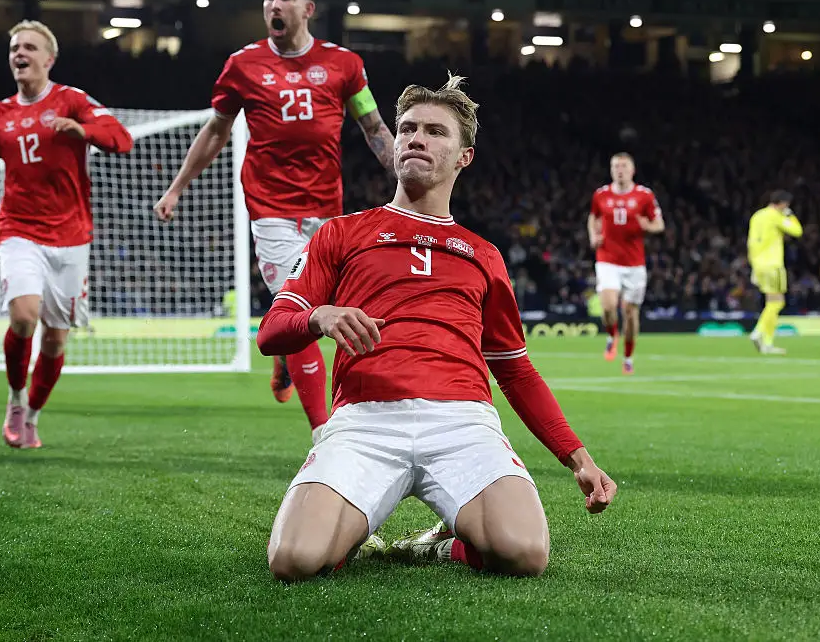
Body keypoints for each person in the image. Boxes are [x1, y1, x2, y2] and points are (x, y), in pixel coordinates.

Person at [257, 75, 617, 582]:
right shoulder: (341, 233)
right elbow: (271, 332)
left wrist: (577, 458)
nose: (416, 139)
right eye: (407, 129)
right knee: (293, 560)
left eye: (434, 131)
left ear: (464, 156)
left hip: (463, 424)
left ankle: (434, 548)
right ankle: (352, 526)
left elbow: (515, 371)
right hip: (365, 421)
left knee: (526, 553)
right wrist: (318, 316)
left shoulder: (484, 256)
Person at [155, 0, 396, 444]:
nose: (273, 6)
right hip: (271, 211)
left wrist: (406, 178)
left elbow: (373, 128)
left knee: (322, 308)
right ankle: (324, 437)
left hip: (327, 212)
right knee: (306, 311)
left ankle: (287, 360)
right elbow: (217, 131)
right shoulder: (242, 65)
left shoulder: (345, 65)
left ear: (307, 9)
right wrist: (177, 186)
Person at [0, 20, 133, 448]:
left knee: (54, 339)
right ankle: (15, 400)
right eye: (15, 47)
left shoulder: (72, 100)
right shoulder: (0, 114)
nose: (20, 53)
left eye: (30, 47)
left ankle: (32, 414)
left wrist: (83, 130)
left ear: (49, 59)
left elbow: (121, 139)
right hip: (18, 229)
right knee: (23, 316)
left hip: (71, 236)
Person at [586, 153, 664, 374]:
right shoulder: (601, 195)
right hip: (607, 259)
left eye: (624, 166)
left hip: (634, 264)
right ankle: (612, 334)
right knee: (609, 306)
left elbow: (659, 224)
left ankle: (628, 357)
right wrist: (593, 236)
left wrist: (646, 226)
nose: (619, 169)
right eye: (615, 166)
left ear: (632, 170)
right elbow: (593, 218)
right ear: (611, 170)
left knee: (630, 313)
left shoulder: (644, 195)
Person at [747, 190, 802, 355]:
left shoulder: (756, 216)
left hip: (758, 264)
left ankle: (768, 344)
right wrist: (790, 215)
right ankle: (758, 332)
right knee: (778, 302)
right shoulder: (776, 216)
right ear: (783, 203)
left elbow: (751, 242)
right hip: (773, 264)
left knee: (772, 302)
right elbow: (797, 231)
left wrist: (753, 267)